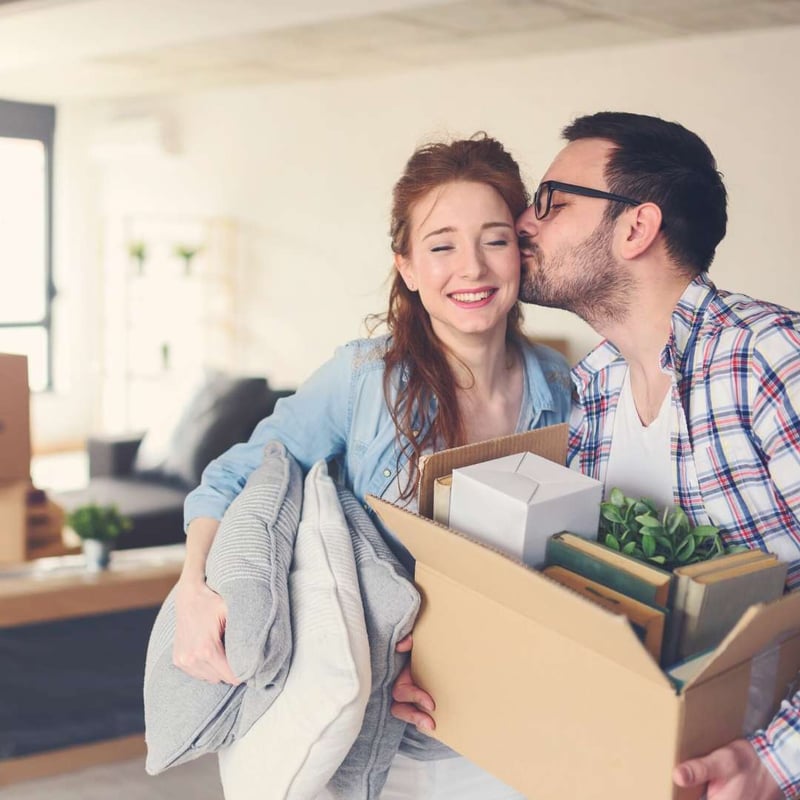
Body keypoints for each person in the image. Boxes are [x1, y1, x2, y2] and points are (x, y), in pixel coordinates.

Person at [394, 111, 800, 799]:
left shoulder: (766, 359)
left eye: (550, 202)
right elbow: (574, 601)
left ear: (636, 228)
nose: (523, 222)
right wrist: (446, 659)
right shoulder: (595, 389)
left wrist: (775, 760)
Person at [173, 133, 572, 799]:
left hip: (515, 719)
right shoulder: (362, 379)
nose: (471, 267)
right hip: (385, 737)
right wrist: (193, 589)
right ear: (408, 266)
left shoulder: (566, 389)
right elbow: (233, 476)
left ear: (522, 253)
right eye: (441, 245)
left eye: (494, 239)